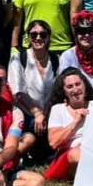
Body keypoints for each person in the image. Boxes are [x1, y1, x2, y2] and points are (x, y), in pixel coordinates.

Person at [7, 20, 59, 161]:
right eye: (34, 34)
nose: (38, 38)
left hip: (47, 112)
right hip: (25, 112)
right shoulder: (18, 58)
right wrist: (37, 113)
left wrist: (45, 114)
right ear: (28, 37)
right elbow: (18, 91)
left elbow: (57, 90)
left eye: (43, 34)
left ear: (49, 37)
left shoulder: (56, 60)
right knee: (32, 129)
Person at [43, 68, 93, 183]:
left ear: (85, 86)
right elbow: (54, 142)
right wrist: (75, 121)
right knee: (77, 154)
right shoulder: (58, 109)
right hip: (68, 157)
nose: (75, 89)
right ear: (64, 91)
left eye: (78, 84)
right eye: (69, 87)